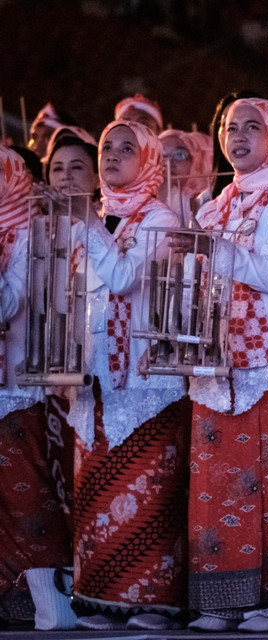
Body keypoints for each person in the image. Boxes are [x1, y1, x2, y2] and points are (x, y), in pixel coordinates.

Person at [186, 97, 268, 633]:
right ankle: (221, 601)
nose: (237, 136)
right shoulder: (214, 205)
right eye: (229, 127)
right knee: (216, 480)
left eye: (251, 127)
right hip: (218, 363)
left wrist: (209, 248)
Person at [67, 120, 188, 631]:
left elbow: (123, 278)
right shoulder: (92, 218)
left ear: (148, 161)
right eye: (107, 149)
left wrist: (89, 228)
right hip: (94, 377)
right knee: (96, 487)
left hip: (143, 381)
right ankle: (99, 599)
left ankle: (151, 603)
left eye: (125, 149)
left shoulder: (159, 218)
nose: (111, 157)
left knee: (147, 491)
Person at [0, 146, 72, 627]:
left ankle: (46, 596)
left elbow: (8, 304)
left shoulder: (30, 233)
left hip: (17, 383)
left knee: (26, 496)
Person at [158, 129, 213, 225]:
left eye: (179, 154)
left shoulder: (209, 198)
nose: (168, 162)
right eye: (161, 155)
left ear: (197, 160)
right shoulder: (139, 195)